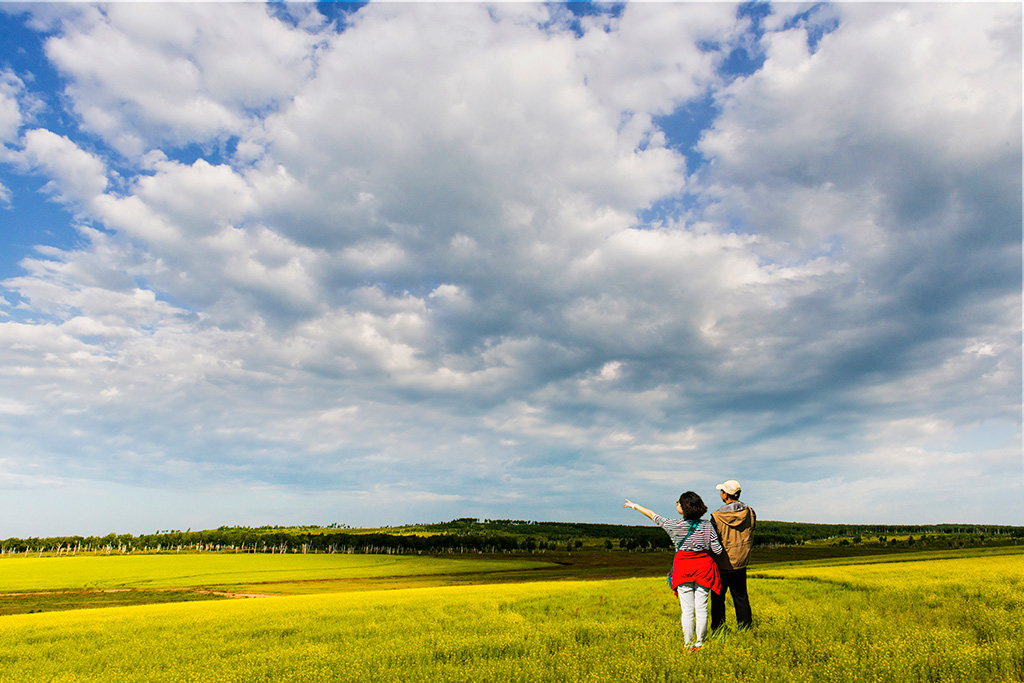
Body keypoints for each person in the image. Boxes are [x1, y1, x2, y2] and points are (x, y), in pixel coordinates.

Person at [623, 493, 723, 652]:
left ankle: (688, 644)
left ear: (684, 508)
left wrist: (634, 505)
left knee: (687, 610)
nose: (677, 505)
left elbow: (652, 515)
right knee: (702, 608)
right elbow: (717, 550)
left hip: (683, 570)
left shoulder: (673, 525)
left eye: (679, 503)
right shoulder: (707, 526)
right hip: (704, 569)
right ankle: (700, 644)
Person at [709, 479, 756, 631]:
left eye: (721, 491)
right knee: (741, 597)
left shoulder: (716, 516)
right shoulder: (750, 512)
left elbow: (713, 539)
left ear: (725, 494)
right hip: (741, 562)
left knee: (717, 599)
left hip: (721, 564)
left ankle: (719, 628)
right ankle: (745, 628)